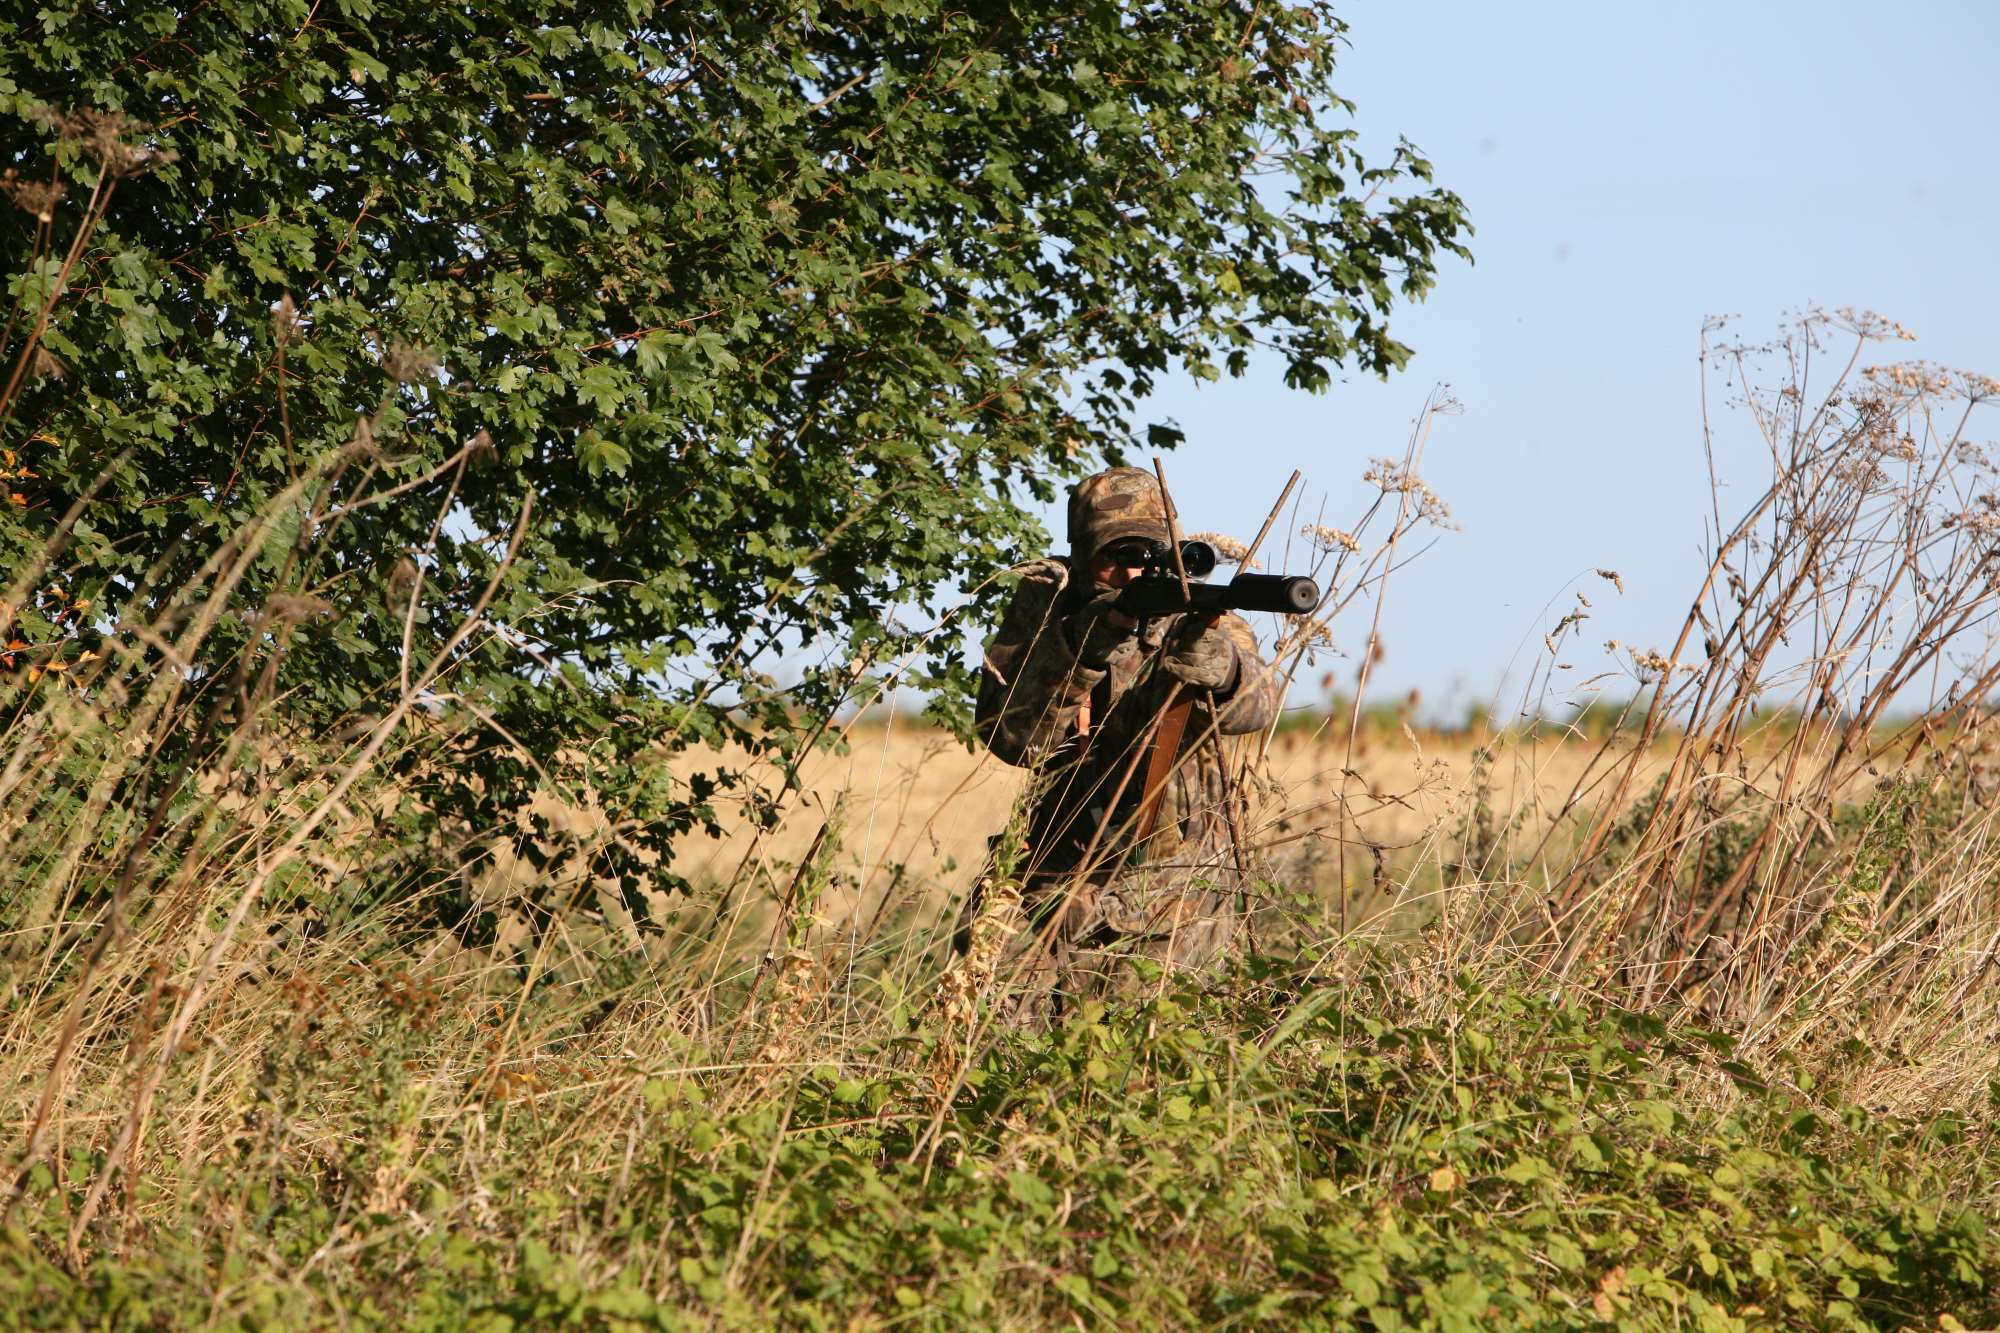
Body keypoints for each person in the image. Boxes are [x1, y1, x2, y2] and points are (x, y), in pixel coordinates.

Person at [958, 466, 1281, 1011]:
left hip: (1171, 876)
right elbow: (1011, 736)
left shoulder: (1199, 614)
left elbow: (1261, 706)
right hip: (1053, 858)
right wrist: (1083, 651)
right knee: (983, 1001)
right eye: (1116, 557)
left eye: (1148, 556)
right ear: (1083, 560)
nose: (1135, 574)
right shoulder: (1051, 609)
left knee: (1143, 1045)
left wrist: (1225, 674)